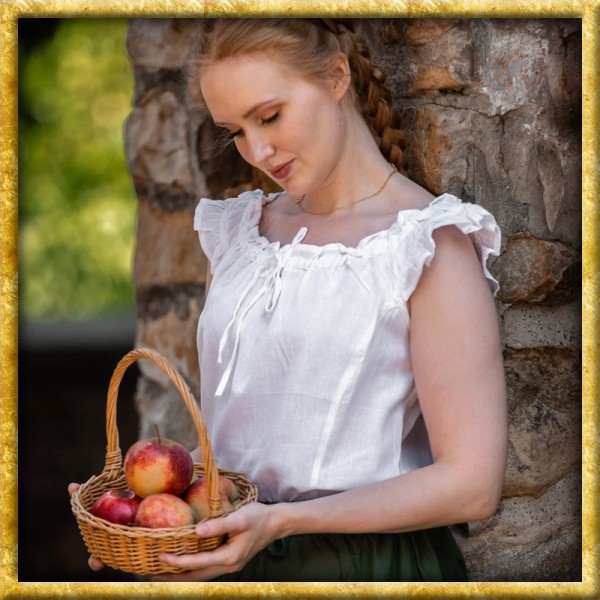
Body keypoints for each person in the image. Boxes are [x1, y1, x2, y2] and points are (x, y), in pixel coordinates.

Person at [70, 18, 507, 582]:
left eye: (269, 116)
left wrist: (284, 523)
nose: (258, 149)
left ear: (336, 76)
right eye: (234, 132)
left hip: (364, 566)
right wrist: (148, 511)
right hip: (235, 557)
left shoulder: (425, 244)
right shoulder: (239, 234)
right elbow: (249, 432)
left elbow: (470, 486)